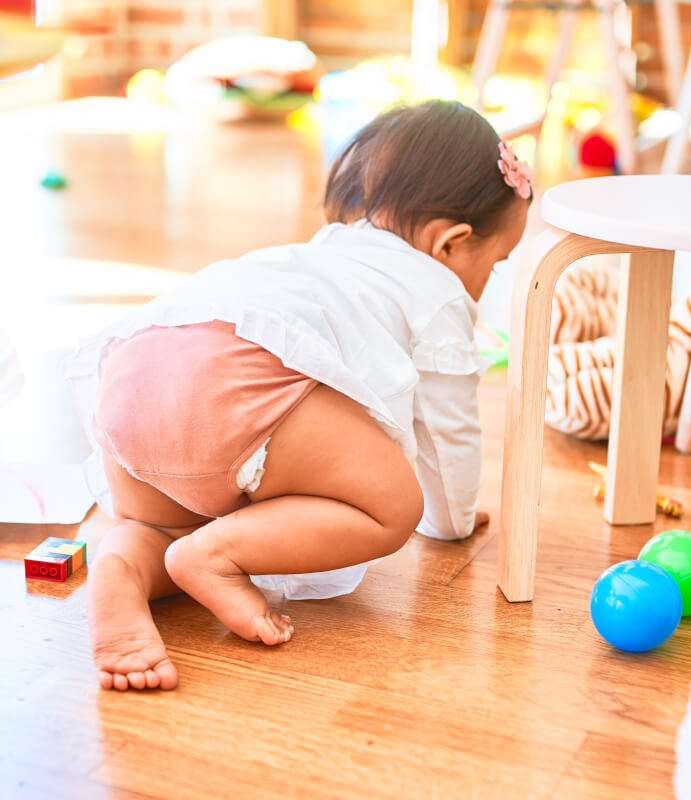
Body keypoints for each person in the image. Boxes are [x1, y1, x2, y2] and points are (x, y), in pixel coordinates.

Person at [65, 100, 533, 691]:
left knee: (164, 531)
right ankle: (214, 556)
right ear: (451, 244)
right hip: (229, 384)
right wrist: (452, 521)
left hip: (132, 378)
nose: (489, 281)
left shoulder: (325, 249)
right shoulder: (437, 292)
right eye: (497, 263)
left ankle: (123, 568)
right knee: (394, 505)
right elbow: (448, 431)